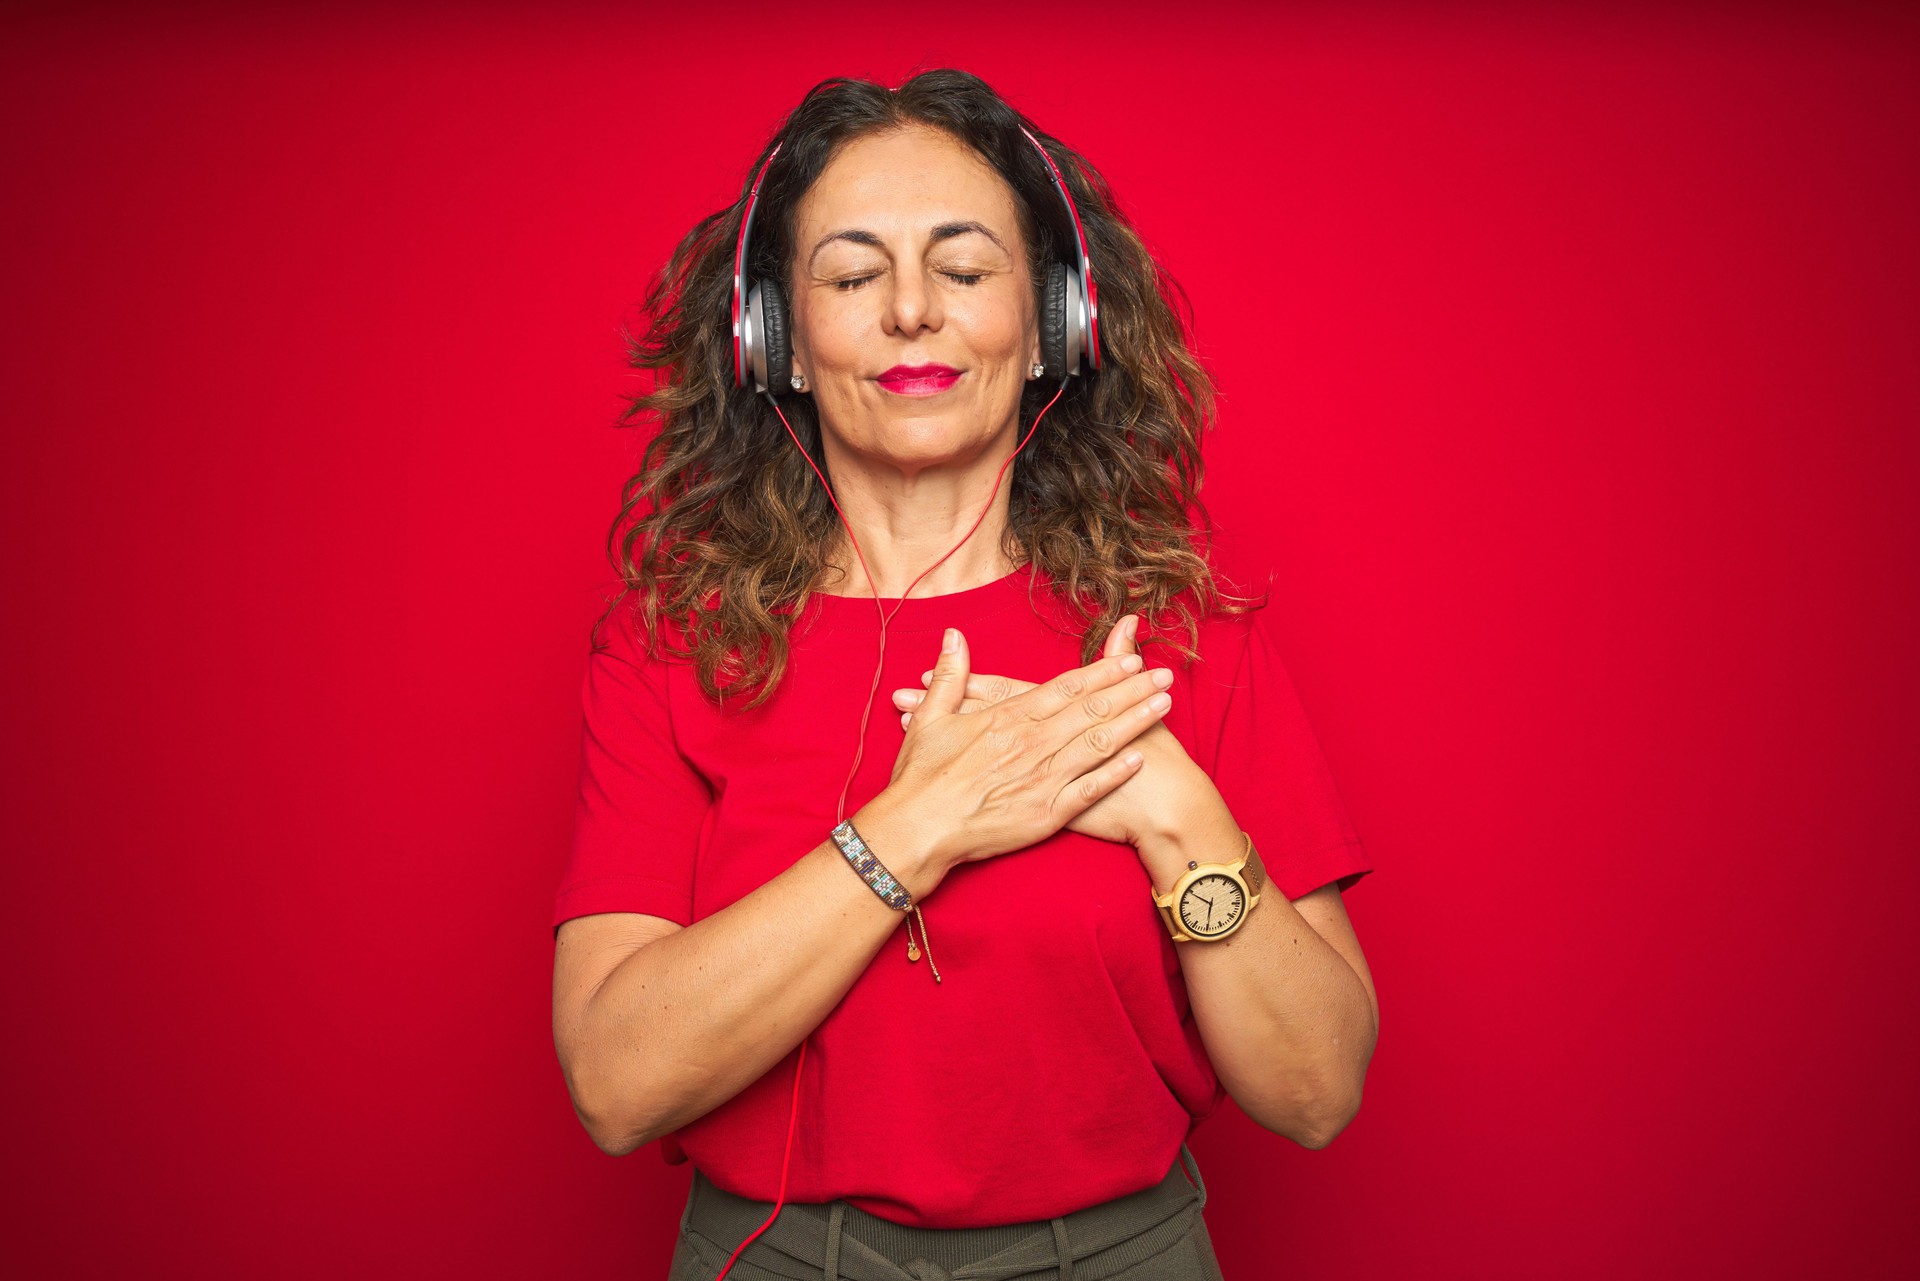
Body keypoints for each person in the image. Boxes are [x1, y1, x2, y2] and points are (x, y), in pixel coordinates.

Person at [550, 69, 1379, 1281]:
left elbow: (1316, 1092)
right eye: (852, 277)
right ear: (775, 341)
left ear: (1054, 325)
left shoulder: (1180, 639)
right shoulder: (673, 647)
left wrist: (1177, 813)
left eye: (965, 268)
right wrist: (919, 824)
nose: (911, 312)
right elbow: (617, 1087)